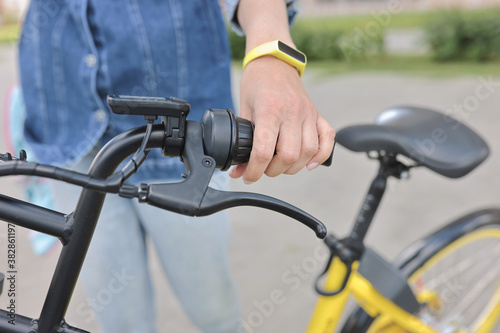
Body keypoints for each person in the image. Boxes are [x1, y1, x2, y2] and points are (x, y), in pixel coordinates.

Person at [18, 0, 335, 332]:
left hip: (183, 136)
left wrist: (271, 54)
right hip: (67, 129)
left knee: (214, 311)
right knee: (119, 320)